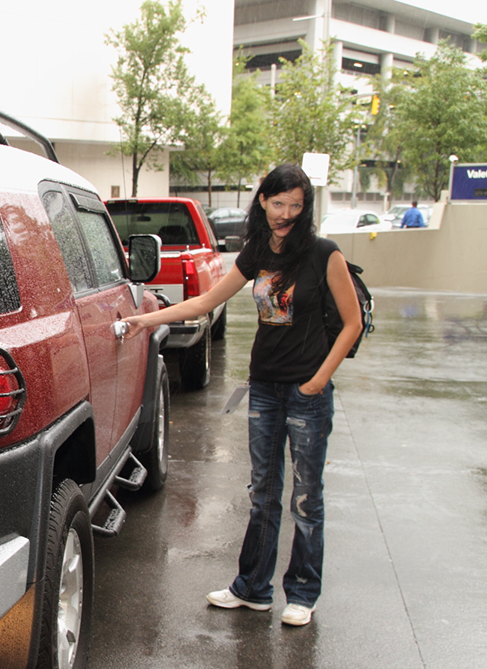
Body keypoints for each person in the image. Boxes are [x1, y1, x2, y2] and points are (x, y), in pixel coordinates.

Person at [121, 164, 363, 627]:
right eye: (278, 203)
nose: (285, 214)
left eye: (295, 205)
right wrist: (146, 319)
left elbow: (351, 324)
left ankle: (303, 594)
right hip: (266, 389)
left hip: (307, 393)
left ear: (305, 207)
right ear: (263, 203)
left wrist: (317, 380)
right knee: (264, 494)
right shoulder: (256, 253)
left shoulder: (323, 254)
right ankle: (253, 588)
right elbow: (206, 302)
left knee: (306, 497)